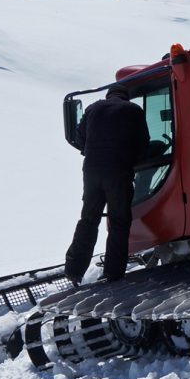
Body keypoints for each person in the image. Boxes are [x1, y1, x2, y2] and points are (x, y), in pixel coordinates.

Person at [64, 82, 151, 284]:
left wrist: (92, 150)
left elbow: (78, 139)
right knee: (119, 222)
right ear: (125, 97)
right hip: (118, 172)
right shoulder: (134, 110)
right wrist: (133, 160)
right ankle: (113, 273)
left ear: (108, 95)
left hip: (92, 172)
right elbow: (143, 144)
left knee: (88, 219)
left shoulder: (93, 108)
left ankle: (74, 269)